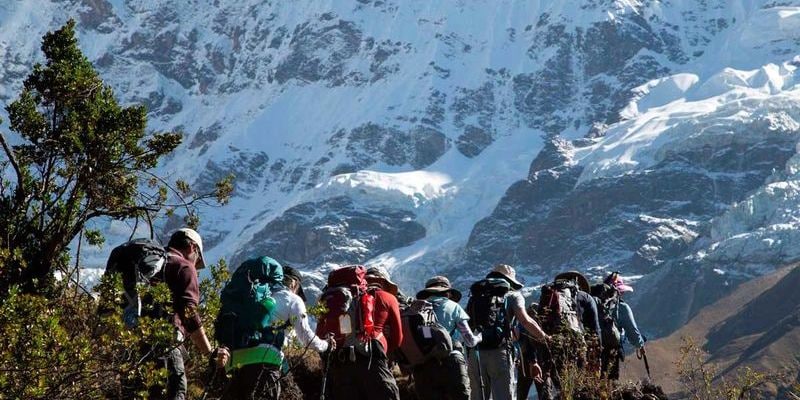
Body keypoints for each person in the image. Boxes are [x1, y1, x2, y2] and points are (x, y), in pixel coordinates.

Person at [215, 261, 334, 399]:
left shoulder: (256, 294)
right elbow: (305, 336)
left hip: (233, 365)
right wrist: (326, 345)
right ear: (294, 284)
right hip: (263, 367)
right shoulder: (292, 299)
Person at [467, 264, 549, 400]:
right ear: (510, 281)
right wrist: (545, 337)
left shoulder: (476, 295)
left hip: (475, 354)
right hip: (500, 352)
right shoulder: (513, 296)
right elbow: (525, 321)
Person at [323, 266, 402, 400]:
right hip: (373, 363)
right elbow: (397, 339)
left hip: (341, 367)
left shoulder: (339, 299)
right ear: (382, 282)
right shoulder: (388, 297)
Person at [162, 228, 218, 400]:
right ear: (193, 248)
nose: (196, 266)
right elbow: (189, 312)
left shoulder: (154, 263)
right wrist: (209, 353)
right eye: (198, 260)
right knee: (176, 391)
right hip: (166, 342)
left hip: (130, 344)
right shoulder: (184, 266)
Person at [412, 276, 482, 400]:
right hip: (452, 361)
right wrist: (479, 338)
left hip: (425, 365)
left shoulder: (418, 309)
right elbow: (469, 340)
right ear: (448, 292)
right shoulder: (454, 307)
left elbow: (423, 336)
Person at [597, 272, 646, 380]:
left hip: (593, 350)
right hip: (611, 351)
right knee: (609, 385)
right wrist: (640, 344)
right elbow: (632, 332)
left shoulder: (596, 303)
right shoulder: (622, 307)